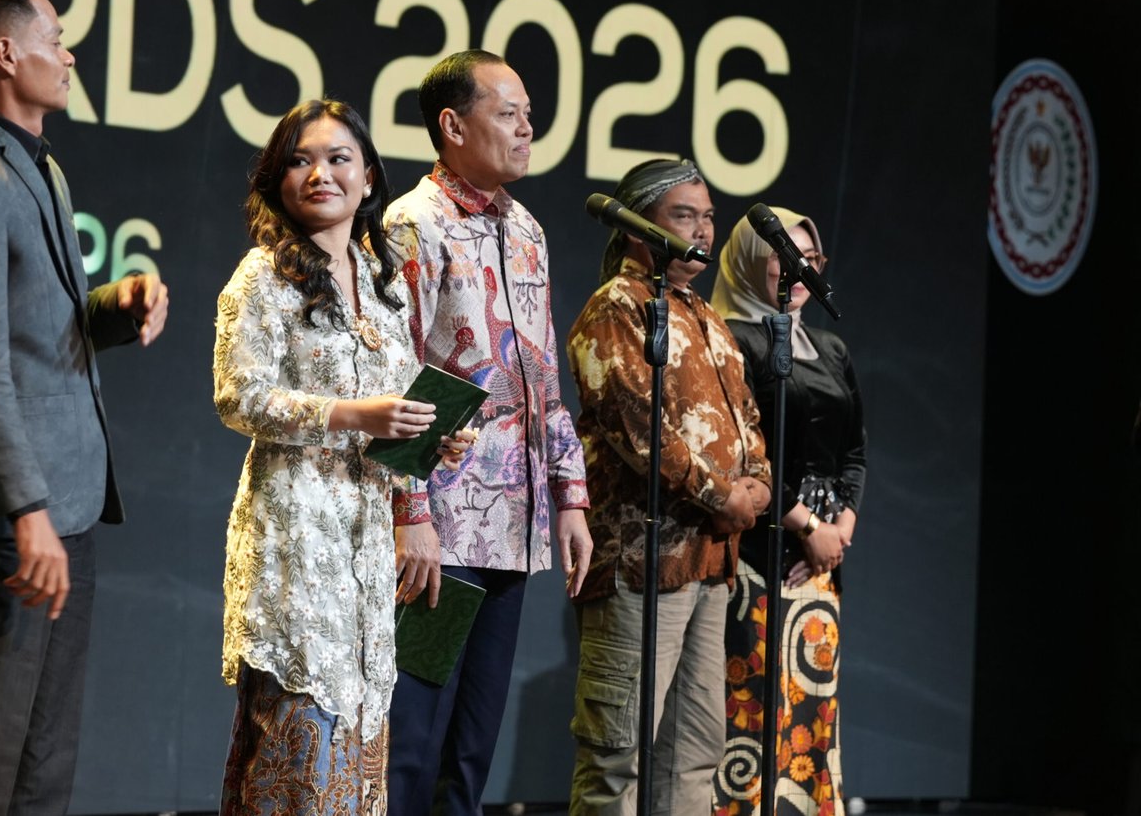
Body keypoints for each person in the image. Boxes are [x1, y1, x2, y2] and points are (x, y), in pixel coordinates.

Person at [0, 0, 169, 815]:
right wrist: (26, 512)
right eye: (56, 39)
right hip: (6, 523)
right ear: (7, 54)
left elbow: (39, 326)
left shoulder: (38, 168)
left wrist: (116, 307)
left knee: (42, 767)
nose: (70, 54)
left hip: (65, 511)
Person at [214, 99, 472, 815]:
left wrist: (431, 439)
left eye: (337, 159)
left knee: (360, 766)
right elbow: (238, 396)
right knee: (301, 754)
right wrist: (352, 415)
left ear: (368, 179)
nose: (319, 173)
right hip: (295, 543)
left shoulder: (385, 284)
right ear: (278, 180)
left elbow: (397, 414)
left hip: (367, 551)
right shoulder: (263, 277)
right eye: (299, 160)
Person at [383, 49, 593, 816]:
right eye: (508, 113)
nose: (526, 127)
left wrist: (570, 495)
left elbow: (545, 374)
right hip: (443, 531)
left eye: (528, 113)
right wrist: (411, 511)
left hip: (514, 526)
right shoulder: (413, 224)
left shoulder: (527, 228)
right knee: (413, 741)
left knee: (471, 752)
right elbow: (396, 378)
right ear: (453, 124)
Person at [566, 156, 771, 816]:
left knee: (695, 750)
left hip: (710, 561)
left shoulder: (708, 317)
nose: (704, 230)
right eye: (685, 215)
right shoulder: (617, 307)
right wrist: (721, 495)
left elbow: (749, 420)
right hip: (641, 560)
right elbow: (638, 427)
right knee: (618, 752)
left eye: (709, 217)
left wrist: (758, 485)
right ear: (637, 227)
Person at [708, 208, 866, 816]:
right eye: (784, 256)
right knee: (749, 711)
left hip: (821, 564)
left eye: (810, 259)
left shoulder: (831, 348)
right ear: (752, 262)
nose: (800, 270)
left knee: (811, 716)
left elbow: (854, 451)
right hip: (756, 555)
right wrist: (808, 526)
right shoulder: (732, 340)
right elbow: (741, 454)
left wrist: (840, 530)